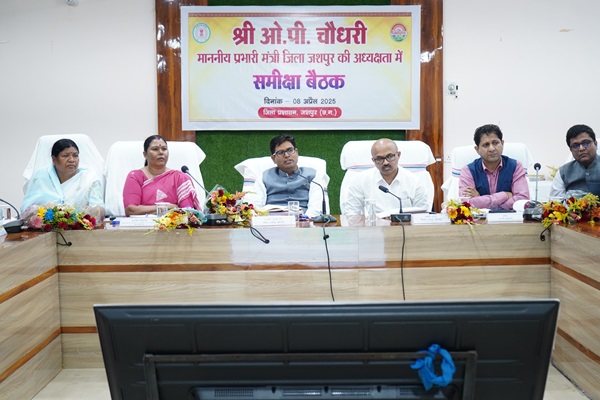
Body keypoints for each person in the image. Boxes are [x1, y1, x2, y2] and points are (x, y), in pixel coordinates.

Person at [243, 134, 328, 218]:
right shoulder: (263, 177)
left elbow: (316, 208)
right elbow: (256, 208)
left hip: (304, 222)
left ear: (296, 152)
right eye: (280, 152)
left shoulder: (313, 175)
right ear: (273, 159)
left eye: (290, 150)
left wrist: (305, 221)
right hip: (272, 222)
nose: (287, 155)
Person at [21, 138, 105, 221]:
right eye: (65, 156)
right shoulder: (41, 177)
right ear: (54, 159)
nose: (72, 160)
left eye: (75, 155)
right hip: (46, 227)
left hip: (80, 227)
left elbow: (100, 208)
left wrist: (93, 212)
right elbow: (26, 210)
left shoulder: (88, 178)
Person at [344, 138, 428, 216]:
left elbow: (422, 214)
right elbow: (351, 213)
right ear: (373, 160)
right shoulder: (360, 180)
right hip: (373, 226)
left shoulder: (414, 181)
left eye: (390, 156)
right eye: (379, 159)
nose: (385, 162)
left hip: (405, 226)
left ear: (398, 155)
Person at [123, 135, 200, 216]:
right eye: (155, 149)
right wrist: (168, 207)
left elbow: (188, 212)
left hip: (175, 224)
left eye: (164, 149)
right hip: (143, 224)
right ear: (145, 154)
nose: (161, 152)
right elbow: (131, 210)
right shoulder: (135, 176)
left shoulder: (180, 178)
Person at [459, 124, 529, 210]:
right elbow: (466, 203)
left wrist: (481, 200)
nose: (492, 149)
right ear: (477, 149)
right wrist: (505, 195)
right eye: (486, 145)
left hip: (508, 217)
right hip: (479, 218)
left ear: (502, 144)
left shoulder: (515, 166)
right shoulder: (468, 171)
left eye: (495, 143)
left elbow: (522, 199)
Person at [550, 124, 600, 198]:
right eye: (576, 146)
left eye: (586, 143)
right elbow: (555, 201)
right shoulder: (563, 172)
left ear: (596, 144)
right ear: (571, 150)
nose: (581, 148)